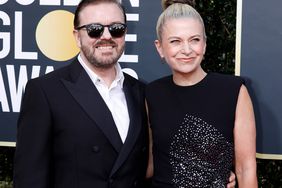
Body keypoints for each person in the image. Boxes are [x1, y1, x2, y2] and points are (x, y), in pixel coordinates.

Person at [13, 0, 149, 187]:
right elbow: (30, 179)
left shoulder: (141, 92)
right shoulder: (45, 91)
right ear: (77, 37)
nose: (107, 36)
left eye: (116, 28)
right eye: (95, 29)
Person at [145, 0, 258, 187]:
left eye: (194, 40)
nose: (187, 50)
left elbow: (246, 169)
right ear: (160, 48)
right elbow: (149, 164)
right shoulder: (152, 93)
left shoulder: (233, 91)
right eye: (175, 41)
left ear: (204, 44)